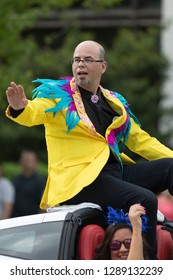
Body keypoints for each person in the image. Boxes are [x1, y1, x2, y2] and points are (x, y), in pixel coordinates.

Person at [5, 40, 173, 259]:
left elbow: (141, 141)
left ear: (103, 66)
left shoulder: (113, 103)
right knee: (145, 199)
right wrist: (21, 107)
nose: (80, 64)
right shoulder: (58, 96)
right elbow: (36, 111)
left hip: (113, 173)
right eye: (76, 60)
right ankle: (146, 267)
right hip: (80, 180)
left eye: (87, 59)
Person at [11, 150, 46, 217]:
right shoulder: (15, 180)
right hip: (15, 219)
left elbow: (44, 204)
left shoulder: (40, 181)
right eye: (24, 160)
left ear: (35, 162)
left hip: (32, 219)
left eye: (29, 160)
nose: (26, 163)